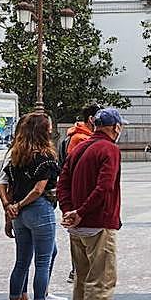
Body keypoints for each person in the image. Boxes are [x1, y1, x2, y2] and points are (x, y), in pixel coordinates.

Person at [58, 107, 125, 300]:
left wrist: (69, 211)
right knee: (102, 280)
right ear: (115, 127)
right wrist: (82, 211)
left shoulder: (79, 147)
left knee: (82, 280)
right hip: (98, 223)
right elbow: (104, 187)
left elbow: (62, 181)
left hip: (77, 226)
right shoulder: (109, 149)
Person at [0, 113, 63, 300]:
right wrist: (19, 204)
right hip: (38, 209)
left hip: (19, 215)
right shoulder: (44, 156)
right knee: (43, 261)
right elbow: (38, 189)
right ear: (42, 131)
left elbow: (4, 184)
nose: (52, 130)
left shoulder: (15, 156)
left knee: (21, 261)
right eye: (49, 127)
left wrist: (11, 209)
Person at [63, 104, 99, 284]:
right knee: (80, 234)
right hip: (80, 193)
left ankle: (79, 270)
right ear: (91, 119)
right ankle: (76, 270)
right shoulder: (79, 138)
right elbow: (72, 167)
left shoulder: (87, 137)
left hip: (82, 193)